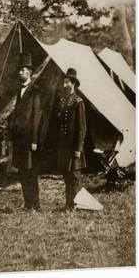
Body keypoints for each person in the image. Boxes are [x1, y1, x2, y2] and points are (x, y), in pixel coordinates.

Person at [8, 54, 42, 211]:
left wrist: (34, 140)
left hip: (30, 140)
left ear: (29, 72)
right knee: (22, 171)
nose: (20, 73)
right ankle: (28, 203)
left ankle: (35, 204)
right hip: (19, 140)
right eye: (19, 70)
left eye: (23, 70)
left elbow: (36, 117)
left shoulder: (35, 91)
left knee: (31, 172)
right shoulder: (18, 91)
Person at [52, 68, 87, 211]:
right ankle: (69, 204)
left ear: (73, 84)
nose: (64, 85)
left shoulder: (78, 102)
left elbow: (82, 128)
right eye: (64, 82)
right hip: (64, 146)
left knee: (75, 177)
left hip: (74, 147)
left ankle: (76, 204)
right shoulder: (62, 101)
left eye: (67, 82)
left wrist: (78, 149)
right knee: (67, 176)